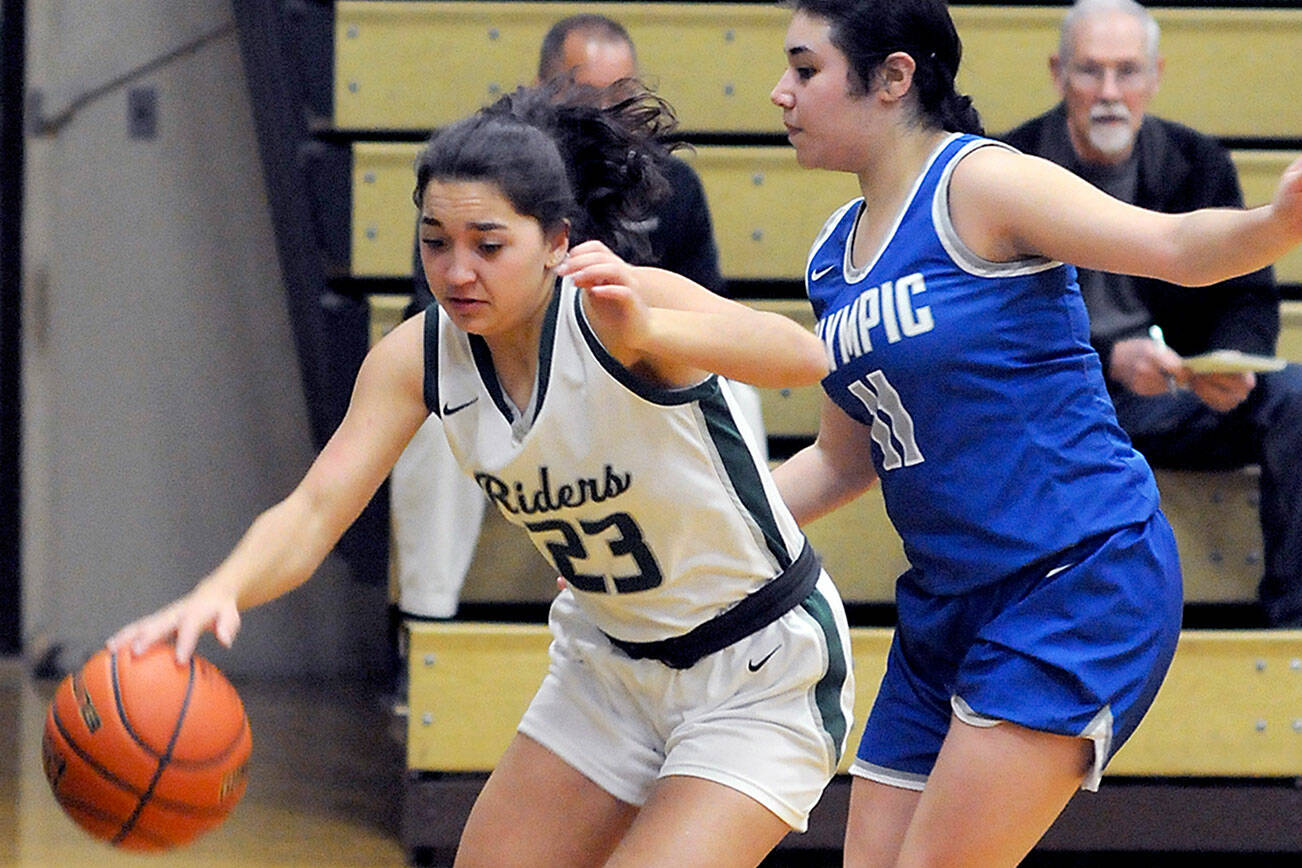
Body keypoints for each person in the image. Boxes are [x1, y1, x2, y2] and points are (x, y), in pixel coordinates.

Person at [109, 81, 855, 867]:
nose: (457, 269)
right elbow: (316, 508)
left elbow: (805, 357)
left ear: (556, 241)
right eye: (436, 241)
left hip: (758, 669)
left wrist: (652, 324)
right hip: (609, 668)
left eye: (487, 244)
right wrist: (217, 591)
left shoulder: (619, 307)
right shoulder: (417, 358)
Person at [765, 0, 1302, 864]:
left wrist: (1275, 226)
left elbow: (1170, 246)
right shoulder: (832, 255)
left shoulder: (980, 182)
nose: (780, 92)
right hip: (946, 602)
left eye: (804, 68)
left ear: (893, 78)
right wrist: (692, 536)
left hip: (1076, 577)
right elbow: (841, 457)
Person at [390, 12, 758, 625]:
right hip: (511, 378)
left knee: (731, 379)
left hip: (631, 380)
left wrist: (642, 329)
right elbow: (439, 313)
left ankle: (738, 577)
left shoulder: (674, 186)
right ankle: (426, 631)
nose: (607, 113)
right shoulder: (482, 182)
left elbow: (719, 325)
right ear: (540, 90)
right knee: (433, 406)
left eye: (623, 95)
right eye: (588, 95)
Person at [1003, 0, 1302, 628]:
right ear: (1058, 73)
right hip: (1057, 405)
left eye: (1127, 72)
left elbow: (1248, 295)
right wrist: (1111, 360)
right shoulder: (1009, 167)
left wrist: (1230, 366)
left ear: (1155, 76)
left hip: (1179, 391)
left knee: (1297, 397)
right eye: (1090, 72)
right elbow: (993, 321)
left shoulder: (1199, 161)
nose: (1109, 93)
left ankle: (1293, 622)